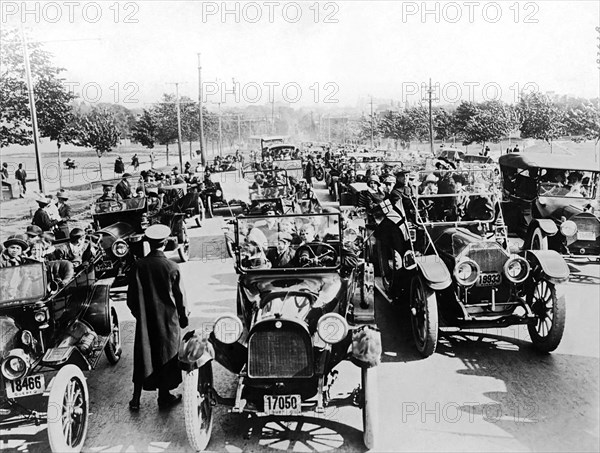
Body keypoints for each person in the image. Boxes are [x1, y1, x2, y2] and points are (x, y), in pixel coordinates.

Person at [126, 224, 189, 412]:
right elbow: (180, 297)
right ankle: (164, 396)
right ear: (165, 243)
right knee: (166, 357)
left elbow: (131, 299)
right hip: (168, 322)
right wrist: (183, 317)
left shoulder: (138, 266)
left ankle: (135, 400)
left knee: (143, 357)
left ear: (149, 243)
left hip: (145, 321)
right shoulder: (171, 266)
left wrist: (140, 315)